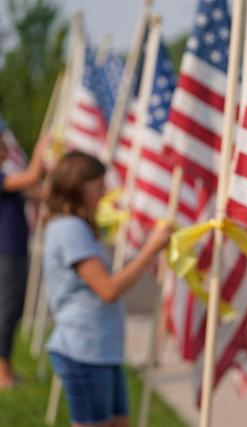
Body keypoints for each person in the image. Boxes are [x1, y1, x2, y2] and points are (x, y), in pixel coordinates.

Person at [43, 151, 172, 427]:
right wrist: (149, 251)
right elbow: (108, 289)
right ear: (77, 186)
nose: (105, 193)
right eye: (99, 186)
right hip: (83, 349)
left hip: (100, 349)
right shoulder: (69, 228)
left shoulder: (75, 226)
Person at [0, 134, 47, 389]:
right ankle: (2, 370)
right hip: (5, 253)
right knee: (6, 311)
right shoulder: (3, 179)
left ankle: (6, 365)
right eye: (3, 149)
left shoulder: (8, 181)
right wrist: (42, 145)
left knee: (13, 310)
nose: (7, 154)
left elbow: (41, 192)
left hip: (16, 251)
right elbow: (30, 177)